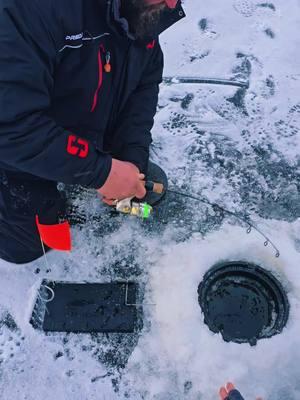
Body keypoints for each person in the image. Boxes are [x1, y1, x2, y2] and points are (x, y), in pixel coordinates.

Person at [0, 0, 185, 264]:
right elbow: (11, 126)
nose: (170, 4)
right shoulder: (28, 10)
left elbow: (143, 86)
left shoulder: (144, 8)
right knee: (32, 245)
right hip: (15, 151)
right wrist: (101, 171)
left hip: (77, 124)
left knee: (142, 182)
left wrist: (130, 159)